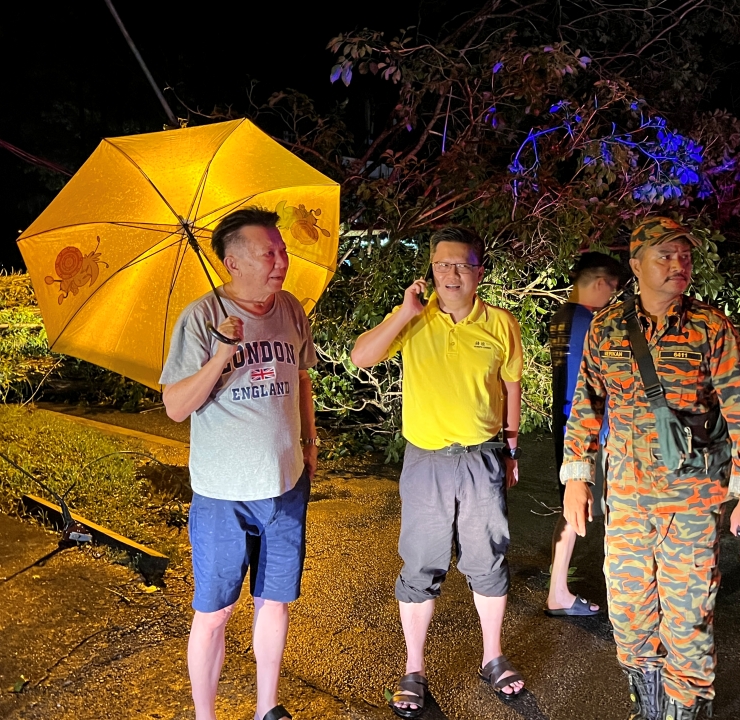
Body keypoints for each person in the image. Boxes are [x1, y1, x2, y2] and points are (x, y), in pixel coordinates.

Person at [561, 217, 740, 720]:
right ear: (636, 266)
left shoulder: (709, 326)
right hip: (628, 499)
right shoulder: (607, 326)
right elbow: (585, 405)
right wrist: (576, 477)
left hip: (692, 500)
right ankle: (649, 707)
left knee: (687, 619)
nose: (679, 264)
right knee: (629, 616)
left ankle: (688, 711)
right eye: (665, 255)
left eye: (684, 255)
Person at [350, 227, 526, 718]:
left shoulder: (501, 324)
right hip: (425, 458)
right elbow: (361, 356)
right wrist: (405, 312)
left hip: (481, 454)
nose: (450, 273)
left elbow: (511, 384)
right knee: (421, 562)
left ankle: (492, 657)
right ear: (431, 269)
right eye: (442, 264)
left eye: (461, 265)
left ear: (479, 273)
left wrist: (511, 446)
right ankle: (414, 667)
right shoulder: (413, 318)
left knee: (487, 558)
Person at [161, 207, 318, 720]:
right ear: (232, 262)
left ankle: (266, 707)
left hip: (285, 483)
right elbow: (177, 406)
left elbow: (301, 379)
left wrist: (310, 441)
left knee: (275, 601)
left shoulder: (291, 308)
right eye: (267, 252)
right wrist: (222, 350)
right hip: (222, 494)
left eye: (282, 250)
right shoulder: (201, 318)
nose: (281, 261)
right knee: (214, 613)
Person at [546, 251, 624, 617]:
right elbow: (595, 385)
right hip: (591, 432)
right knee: (615, 511)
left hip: (564, 425)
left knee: (572, 508)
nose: (613, 295)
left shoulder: (561, 318)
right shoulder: (592, 322)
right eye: (612, 287)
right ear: (599, 283)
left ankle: (558, 589)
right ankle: (624, 592)